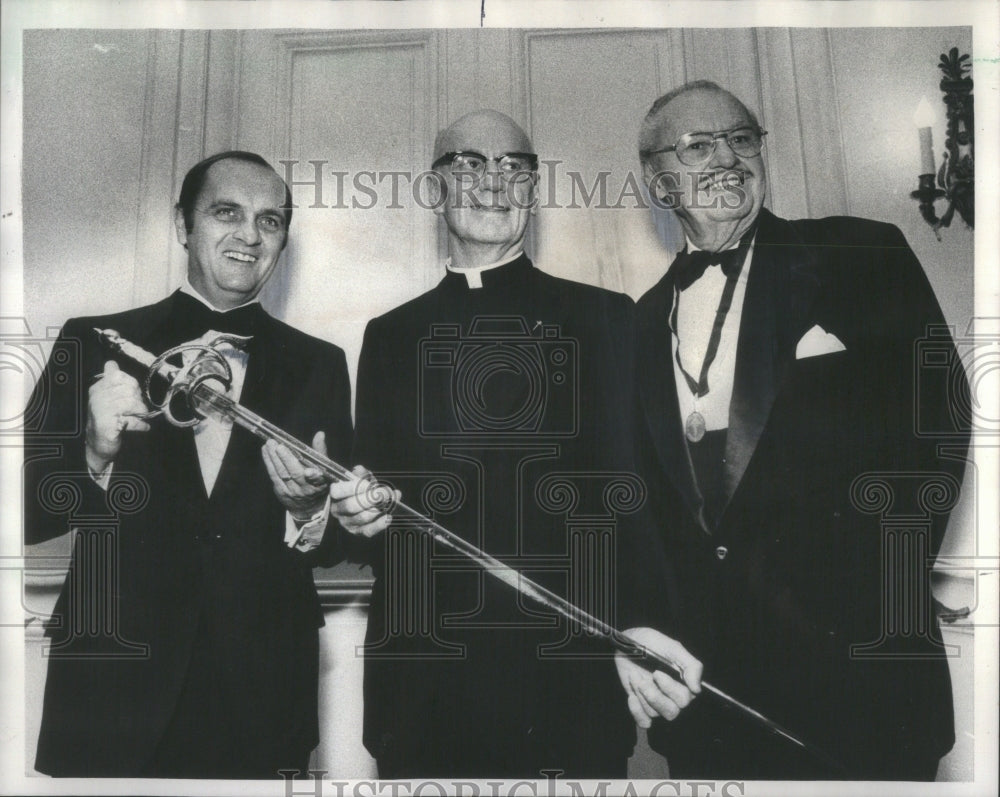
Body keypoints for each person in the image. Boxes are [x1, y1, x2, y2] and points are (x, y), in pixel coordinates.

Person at [613, 81, 970, 780]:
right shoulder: (636, 323)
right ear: (657, 182)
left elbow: (939, 422)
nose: (726, 157)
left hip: (864, 690)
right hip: (711, 704)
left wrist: (881, 589)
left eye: (741, 138)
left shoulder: (857, 251)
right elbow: (639, 505)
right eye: (697, 144)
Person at [23, 151, 353, 778]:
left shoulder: (321, 363)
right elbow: (23, 515)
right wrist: (94, 452)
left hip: (261, 693)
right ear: (183, 224)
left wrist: (309, 511)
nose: (250, 236)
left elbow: (338, 539)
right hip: (111, 686)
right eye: (226, 213)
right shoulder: (92, 339)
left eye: (271, 220)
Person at [328, 110, 638, 778]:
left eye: (513, 166)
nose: (493, 182)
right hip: (421, 693)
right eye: (468, 163)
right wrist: (351, 512)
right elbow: (370, 523)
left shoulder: (607, 319)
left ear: (533, 188)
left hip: (568, 689)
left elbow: (635, 504)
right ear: (436, 187)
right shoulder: (389, 335)